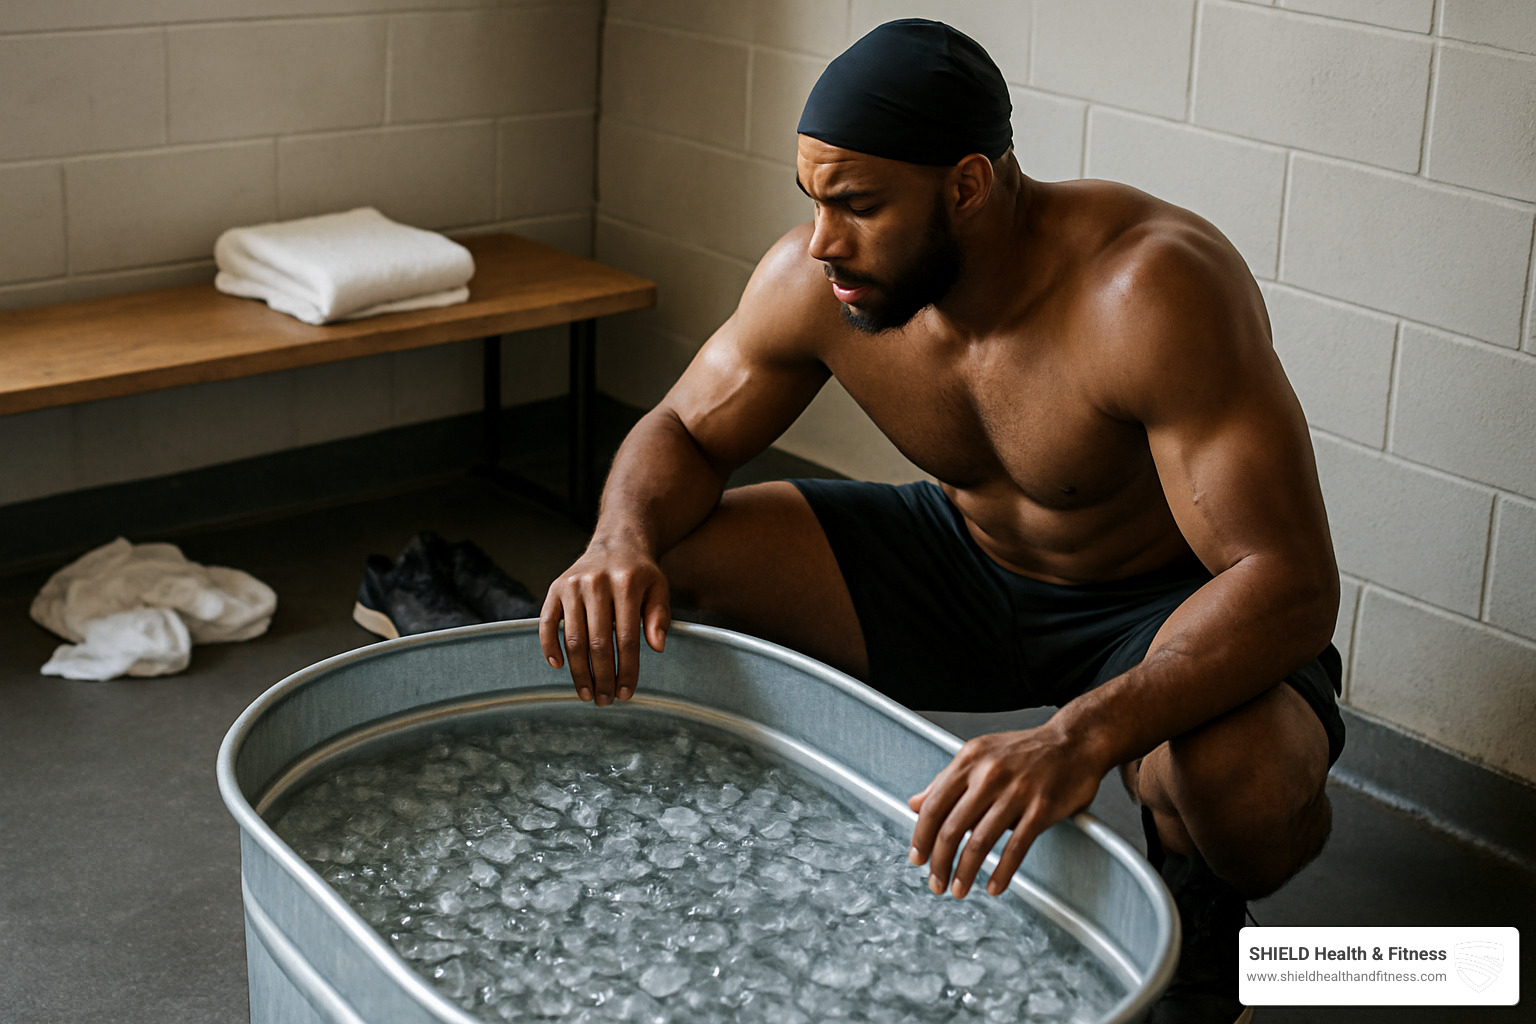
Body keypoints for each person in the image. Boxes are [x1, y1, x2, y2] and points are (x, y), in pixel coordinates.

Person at [539, 19, 1344, 1024]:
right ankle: (745, 834)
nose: (824, 239)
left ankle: (1206, 918)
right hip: (966, 566)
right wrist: (617, 541)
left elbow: (1290, 580)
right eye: (816, 201)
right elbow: (683, 434)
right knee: (671, 559)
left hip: (1162, 608)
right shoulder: (818, 279)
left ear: (966, 185)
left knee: (1243, 786)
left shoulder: (1148, 289)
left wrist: (1081, 733)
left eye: (860, 206)